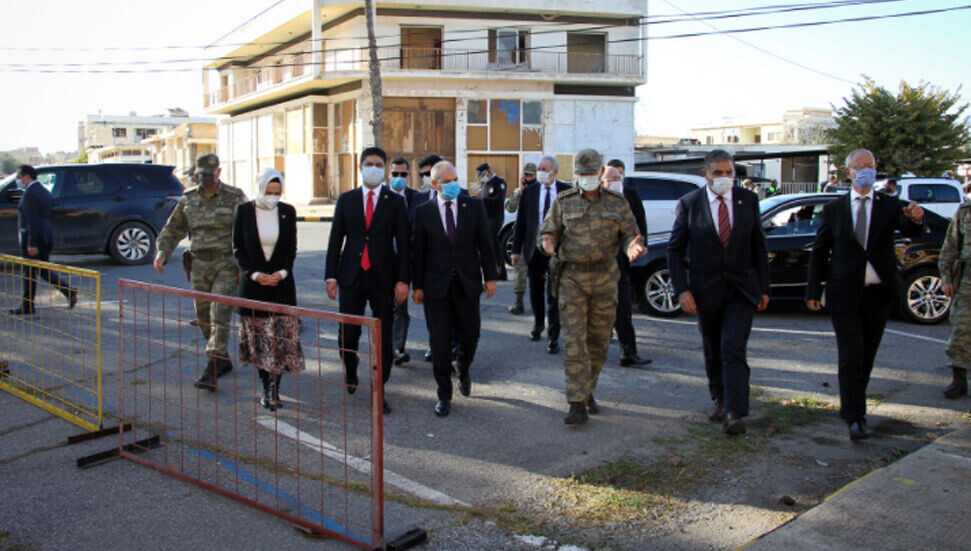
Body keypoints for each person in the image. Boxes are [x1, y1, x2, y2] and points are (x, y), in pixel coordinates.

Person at [807, 148, 925, 441]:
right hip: (844, 293)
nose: (866, 171)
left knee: (867, 354)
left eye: (870, 165)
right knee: (851, 354)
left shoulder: (889, 205)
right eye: (860, 166)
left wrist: (916, 218)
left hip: (878, 294)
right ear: (848, 173)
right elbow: (820, 252)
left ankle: (851, 402)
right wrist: (813, 290)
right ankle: (855, 417)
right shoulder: (835, 210)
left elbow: (911, 228)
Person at [667, 149, 770, 436]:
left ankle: (736, 412)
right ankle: (720, 398)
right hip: (706, 290)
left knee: (733, 347)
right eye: (718, 173)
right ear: (706, 175)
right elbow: (675, 250)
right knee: (713, 348)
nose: (725, 177)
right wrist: (682, 290)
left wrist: (764, 288)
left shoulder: (748, 200)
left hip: (741, 289)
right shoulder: (690, 204)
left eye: (729, 172)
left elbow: (758, 246)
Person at [540, 149, 646, 425]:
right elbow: (548, 230)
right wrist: (548, 241)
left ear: (600, 172)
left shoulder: (617, 203)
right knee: (575, 342)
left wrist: (633, 246)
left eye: (591, 173)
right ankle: (576, 402)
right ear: (576, 174)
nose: (586, 177)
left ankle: (587, 391)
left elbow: (630, 234)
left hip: (604, 279)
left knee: (598, 342)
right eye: (581, 173)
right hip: (572, 279)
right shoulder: (564, 201)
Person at [326, 147, 410, 415]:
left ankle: (378, 389)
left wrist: (403, 280)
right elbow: (335, 239)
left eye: (378, 164)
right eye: (369, 164)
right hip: (351, 276)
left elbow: (404, 245)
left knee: (383, 337)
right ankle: (350, 367)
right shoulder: (347, 199)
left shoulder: (394, 201)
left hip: (383, 278)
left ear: (384, 169)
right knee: (348, 334)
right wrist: (330, 275)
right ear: (360, 167)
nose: (374, 168)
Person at [412, 160, 499, 417]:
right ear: (435, 184)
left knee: (470, 335)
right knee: (439, 343)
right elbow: (419, 252)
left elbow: (485, 244)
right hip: (436, 287)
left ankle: (463, 367)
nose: (453, 185)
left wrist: (490, 277)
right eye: (447, 181)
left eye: (455, 180)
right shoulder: (423, 212)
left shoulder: (472, 207)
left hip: (467, 284)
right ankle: (444, 394)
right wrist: (417, 285)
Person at [155, 153, 247, 390]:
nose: (204, 178)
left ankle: (212, 367)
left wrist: (245, 266)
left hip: (226, 264)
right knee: (204, 317)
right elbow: (173, 228)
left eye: (209, 174)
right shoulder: (188, 198)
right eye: (200, 174)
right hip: (198, 265)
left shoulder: (234, 197)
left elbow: (248, 230)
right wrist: (163, 252)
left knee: (219, 313)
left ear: (219, 172)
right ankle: (222, 359)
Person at [233, 168, 303, 411]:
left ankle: (275, 389)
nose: (272, 196)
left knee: (280, 341)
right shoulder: (243, 211)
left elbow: (291, 249)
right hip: (254, 286)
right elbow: (238, 249)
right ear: (260, 188)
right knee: (260, 341)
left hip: (281, 286)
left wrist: (281, 273)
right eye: (268, 191)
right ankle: (266, 386)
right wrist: (254, 274)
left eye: (277, 192)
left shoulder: (287, 212)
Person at [512, 155, 571, 354]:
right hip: (533, 248)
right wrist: (516, 250)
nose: (541, 172)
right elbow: (521, 222)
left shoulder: (567, 192)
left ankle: (553, 336)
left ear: (555, 171)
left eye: (545, 169)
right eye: (539, 168)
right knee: (535, 290)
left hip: (557, 250)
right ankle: (538, 325)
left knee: (554, 293)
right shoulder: (529, 192)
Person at [8, 164, 77, 315]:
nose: (18, 181)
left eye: (19, 178)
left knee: (29, 272)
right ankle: (67, 292)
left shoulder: (30, 194)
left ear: (27, 176)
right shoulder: (43, 191)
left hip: (34, 237)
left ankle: (28, 304)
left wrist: (31, 243)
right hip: (46, 235)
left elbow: (32, 221)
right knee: (41, 269)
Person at [604, 159, 651, 367]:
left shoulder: (629, 196)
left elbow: (639, 222)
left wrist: (640, 244)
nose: (615, 181)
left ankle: (628, 352)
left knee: (623, 308)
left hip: (620, 262)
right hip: (596, 266)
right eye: (610, 179)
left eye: (617, 177)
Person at [388, 157, 419, 366]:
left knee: (400, 306)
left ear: (409, 175)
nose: (399, 177)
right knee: (386, 307)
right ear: (389, 175)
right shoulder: (381, 196)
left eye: (403, 174)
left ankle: (397, 347)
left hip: (406, 261)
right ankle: (387, 346)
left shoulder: (416, 198)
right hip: (383, 260)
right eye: (395, 174)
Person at [940, 202, 971, 399]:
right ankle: (959, 381)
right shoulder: (966, 211)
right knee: (962, 329)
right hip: (967, 284)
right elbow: (950, 247)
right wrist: (946, 279)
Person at [506, 162, 537, 315]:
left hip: (539, 234)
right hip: (523, 235)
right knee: (520, 269)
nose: (528, 177)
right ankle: (519, 302)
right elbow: (510, 207)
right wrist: (520, 191)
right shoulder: (520, 191)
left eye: (531, 174)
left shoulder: (540, 190)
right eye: (526, 175)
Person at [476, 162, 508, 281]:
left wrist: (481, 200)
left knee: (493, 243)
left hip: (495, 217)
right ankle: (493, 271)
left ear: (488, 171)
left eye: (483, 175)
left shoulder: (499, 182)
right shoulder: (484, 183)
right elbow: (481, 196)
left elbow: (499, 200)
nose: (482, 178)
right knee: (489, 243)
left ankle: (500, 272)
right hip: (485, 217)